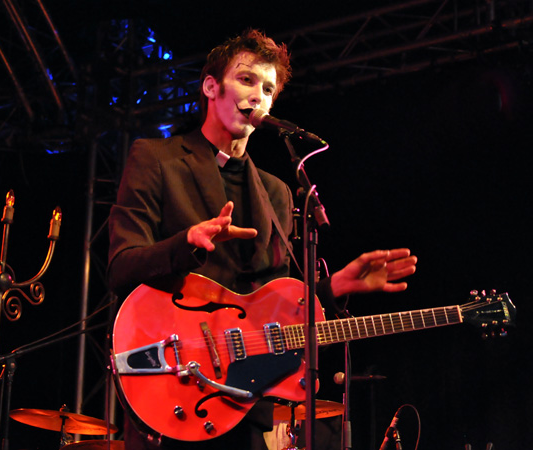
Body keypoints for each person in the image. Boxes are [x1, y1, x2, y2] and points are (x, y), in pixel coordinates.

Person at [108, 28, 417, 450]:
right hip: (173, 384)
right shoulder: (156, 159)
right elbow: (121, 266)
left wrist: (333, 288)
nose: (258, 95)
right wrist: (188, 243)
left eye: (268, 89)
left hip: (244, 402)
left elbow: (271, 307)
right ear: (211, 87)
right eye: (247, 79)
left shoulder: (276, 192)